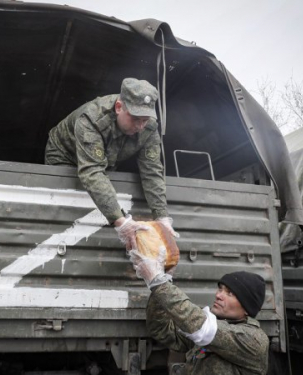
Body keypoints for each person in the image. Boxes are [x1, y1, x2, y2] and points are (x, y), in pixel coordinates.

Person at [45, 78, 177, 248]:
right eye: (136, 118)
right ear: (119, 107)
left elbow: (152, 172)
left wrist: (162, 216)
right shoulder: (92, 118)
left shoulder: (148, 127)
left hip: (104, 160)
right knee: (69, 206)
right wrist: (121, 221)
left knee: (103, 205)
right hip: (65, 156)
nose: (140, 126)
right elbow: (92, 171)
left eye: (145, 119)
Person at [129, 249, 269, 374]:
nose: (219, 295)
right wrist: (164, 278)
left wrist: (158, 282)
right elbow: (161, 330)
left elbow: (201, 327)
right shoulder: (211, 330)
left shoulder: (253, 340)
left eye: (230, 293)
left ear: (247, 307)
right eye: (220, 289)